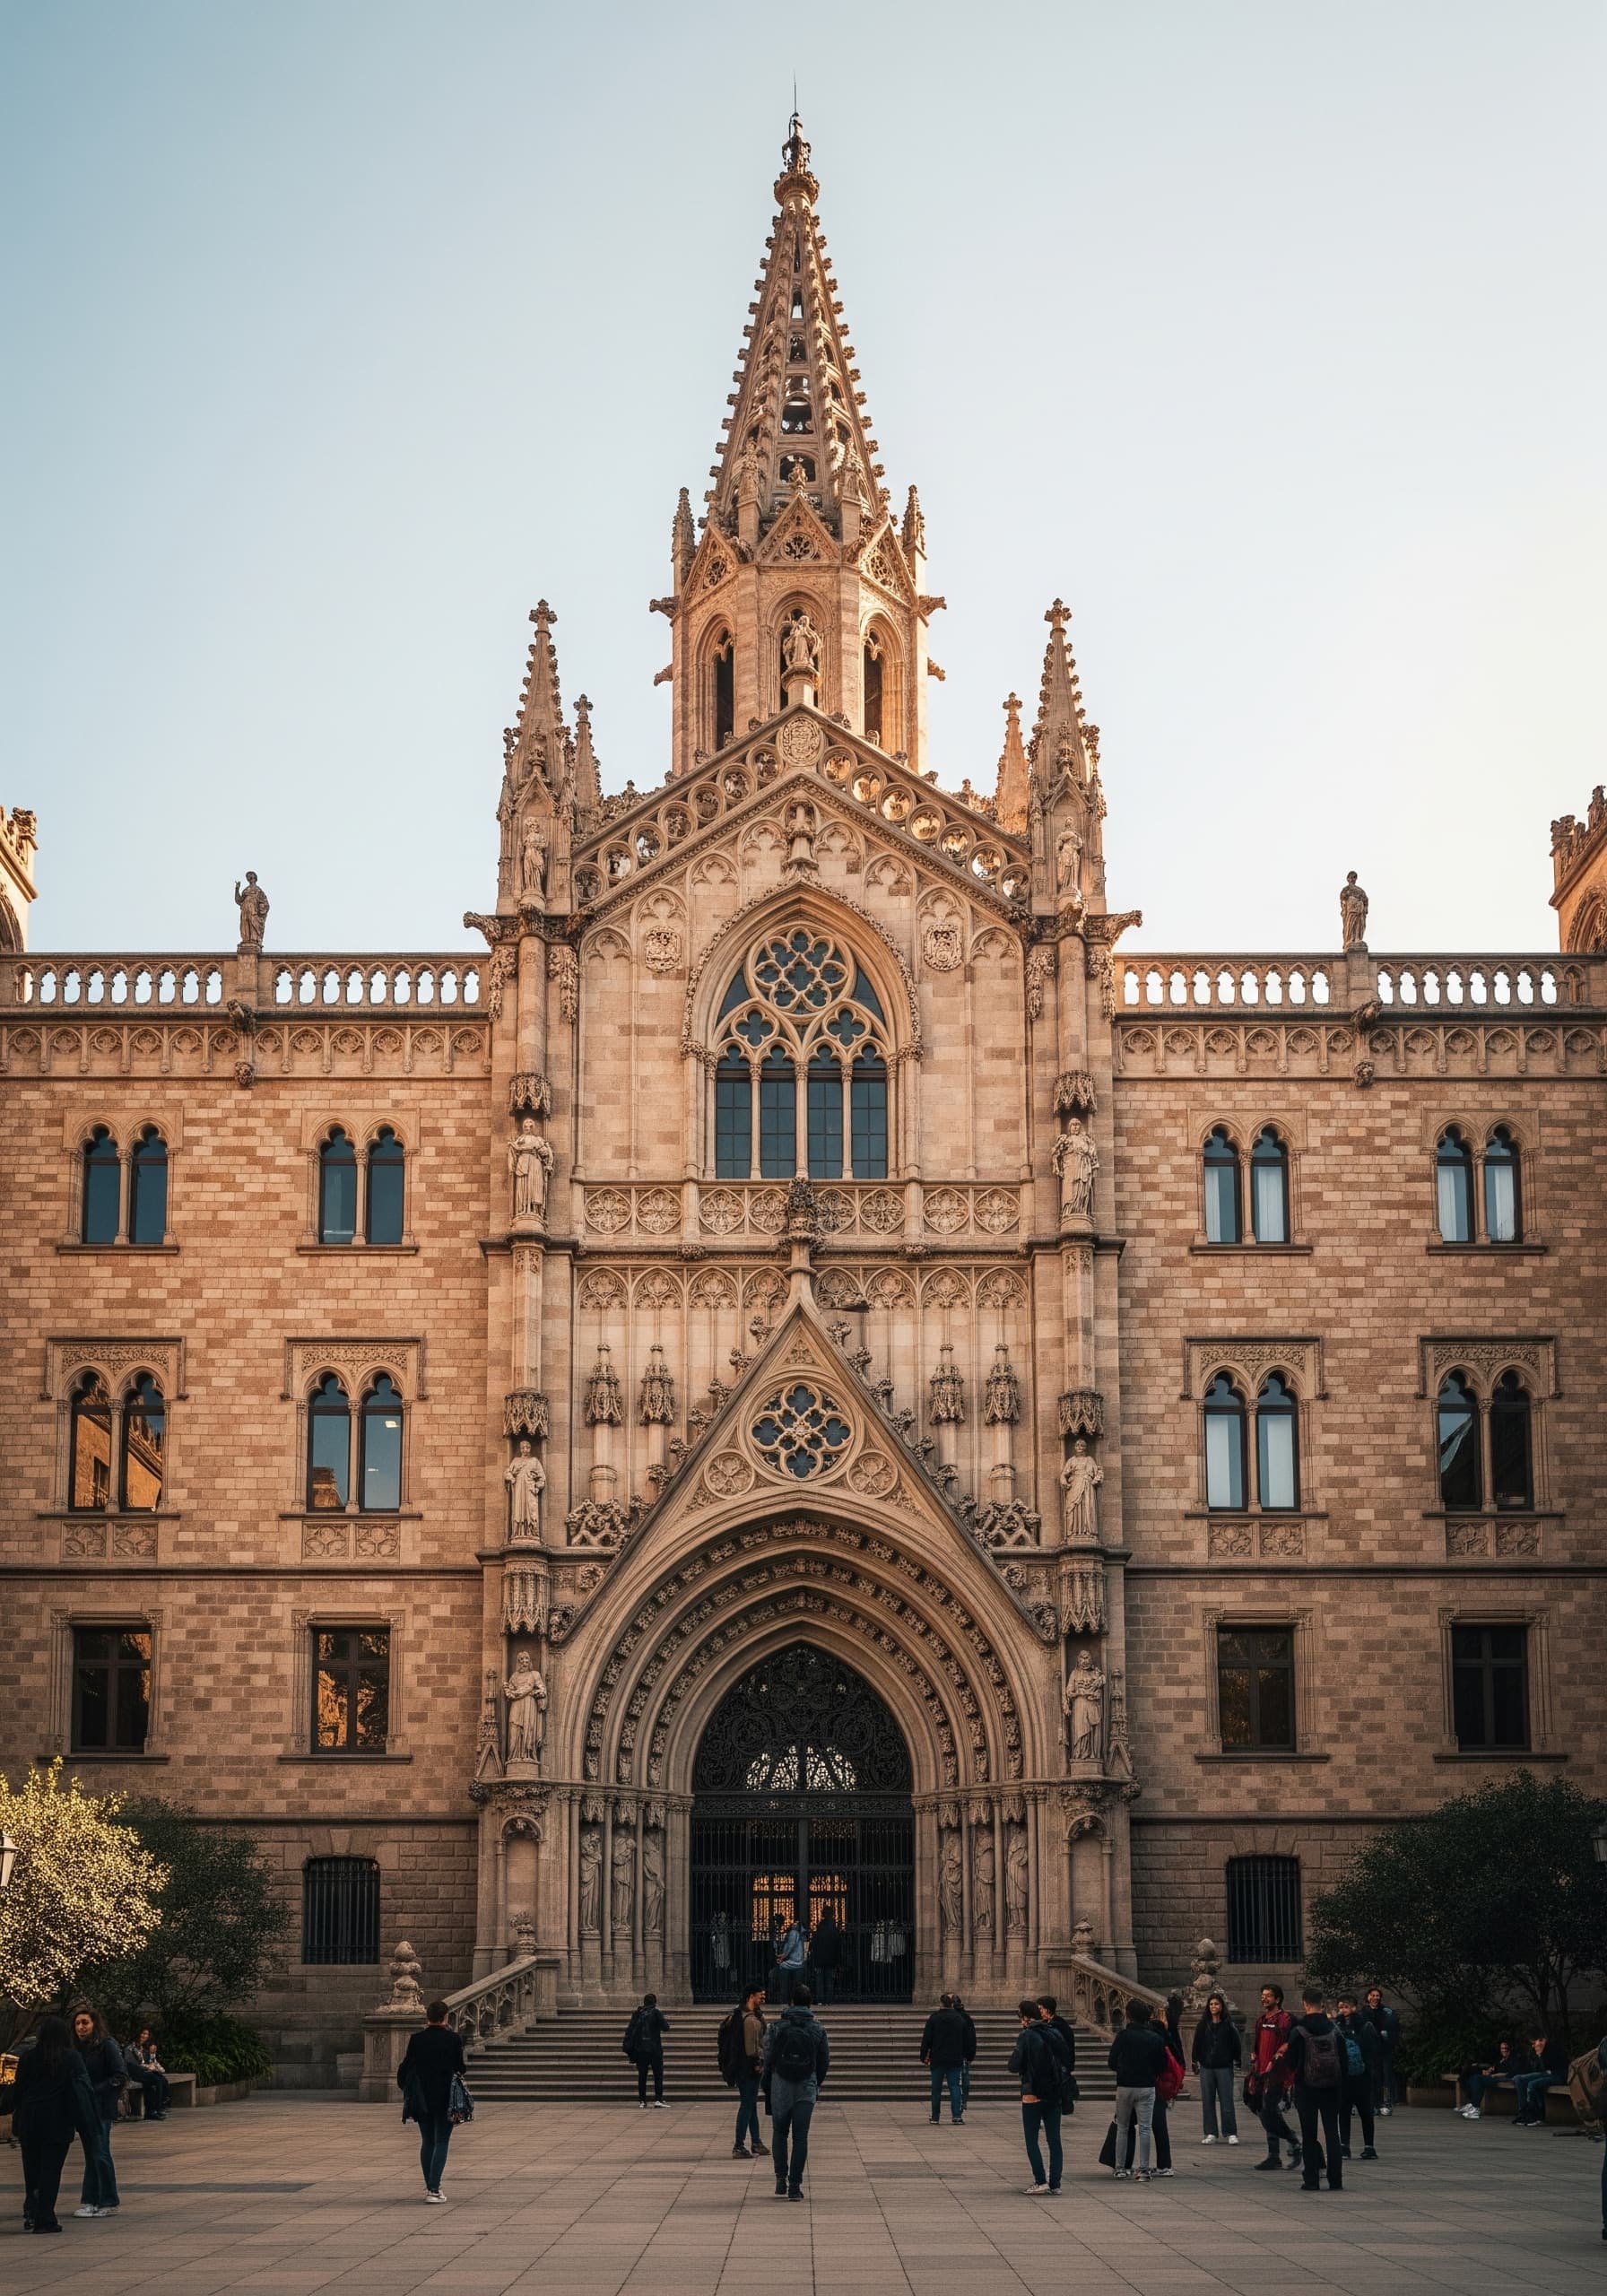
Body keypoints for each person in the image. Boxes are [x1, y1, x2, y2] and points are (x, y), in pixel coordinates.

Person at [13, 2016, 100, 2233]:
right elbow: (82, 2089)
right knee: (51, 2170)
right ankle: (45, 2217)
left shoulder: (28, 2057)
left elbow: (18, 2090)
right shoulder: (71, 2057)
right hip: (57, 2121)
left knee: (31, 2169)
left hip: (29, 2120)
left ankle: (31, 2210)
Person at [762, 1982, 829, 2202]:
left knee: (780, 2133)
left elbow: (768, 2055)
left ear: (791, 2002)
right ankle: (795, 2185)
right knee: (801, 2137)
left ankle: (781, 2179)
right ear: (809, 2003)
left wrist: (769, 2081)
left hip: (780, 2084)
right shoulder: (818, 2028)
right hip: (805, 2087)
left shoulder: (776, 2027)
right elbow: (824, 2061)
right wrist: (814, 2082)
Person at [396, 1999, 467, 2203]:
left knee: (427, 2141)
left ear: (428, 2017)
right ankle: (434, 2189)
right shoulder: (453, 2039)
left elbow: (406, 2066)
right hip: (446, 2097)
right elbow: (460, 2067)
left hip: (422, 2097)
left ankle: (431, 2187)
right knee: (442, 2141)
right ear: (446, 2017)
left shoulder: (417, 2039)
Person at [1283, 1987, 1345, 2192]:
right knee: (1332, 2133)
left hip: (1306, 2087)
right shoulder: (1334, 2029)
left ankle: (1311, 2180)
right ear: (1323, 2003)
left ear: (1304, 2003)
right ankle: (1336, 2180)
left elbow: (1290, 2062)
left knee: (1309, 2135)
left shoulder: (1299, 2030)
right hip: (1331, 2087)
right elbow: (1343, 2060)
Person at [1012, 1997, 1071, 2196]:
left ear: (1027, 2017)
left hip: (1032, 2092)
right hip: (1054, 2092)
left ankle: (1040, 2181)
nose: (1021, 2020)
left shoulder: (1027, 2036)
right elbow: (1067, 2060)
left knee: (1032, 2139)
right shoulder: (1055, 2032)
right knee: (1054, 2140)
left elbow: (1014, 2065)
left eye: (1021, 2016)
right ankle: (1055, 2184)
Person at [71, 2004, 124, 2217]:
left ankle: (108, 2200)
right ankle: (92, 2199)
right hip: (84, 2109)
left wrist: (95, 2091)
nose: (81, 2027)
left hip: (100, 2108)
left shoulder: (106, 2045)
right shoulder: (76, 2049)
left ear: (94, 2023)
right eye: (77, 2023)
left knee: (100, 2153)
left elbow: (119, 2075)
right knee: (92, 2154)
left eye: (85, 2022)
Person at [1108, 1995, 1167, 2181]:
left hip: (1125, 2086)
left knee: (1123, 2127)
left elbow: (1111, 2061)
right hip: (1146, 2087)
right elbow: (1161, 2064)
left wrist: (1123, 2070)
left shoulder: (1123, 2036)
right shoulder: (1155, 2037)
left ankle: (1120, 2168)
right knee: (1145, 2128)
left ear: (1129, 2016)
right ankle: (1143, 2169)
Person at [1247, 1984, 1300, 2171]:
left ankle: (1290, 2142)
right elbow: (1256, 2044)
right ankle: (1276, 2153)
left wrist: (1277, 2059)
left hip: (1277, 2074)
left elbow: (1289, 2043)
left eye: (1268, 1996)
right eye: (1263, 1995)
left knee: (1269, 2110)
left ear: (1277, 1999)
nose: (1264, 1998)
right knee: (1263, 2110)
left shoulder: (1286, 2019)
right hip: (1261, 2073)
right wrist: (1255, 2058)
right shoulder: (1261, 2020)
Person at [1333, 1995, 1380, 2159]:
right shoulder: (1336, 2025)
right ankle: (1344, 2145)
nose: (1343, 2010)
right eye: (1341, 2007)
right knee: (1344, 2111)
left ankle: (1368, 2146)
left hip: (1362, 2076)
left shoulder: (1364, 2025)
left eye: (1346, 2007)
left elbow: (1372, 2050)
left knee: (1365, 2112)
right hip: (1345, 2076)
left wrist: (1369, 2069)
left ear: (1354, 2007)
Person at [1192, 1989, 1241, 2144]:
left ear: (1221, 2006)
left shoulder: (1228, 2025)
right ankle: (1210, 2132)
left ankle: (1230, 2132)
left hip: (1224, 2067)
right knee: (1208, 2101)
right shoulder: (1202, 2025)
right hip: (1207, 2066)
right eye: (1211, 2004)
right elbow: (1197, 2044)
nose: (1214, 2007)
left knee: (1227, 2100)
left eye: (1216, 2004)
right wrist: (1196, 2060)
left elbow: (1236, 2044)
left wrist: (1235, 2060)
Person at [725, 1985, 766, 2159]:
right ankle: (739, 2145)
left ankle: (756, 2141)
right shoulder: (749, 2020)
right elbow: (752, 2049)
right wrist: (759, 2061)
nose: (763, 1998)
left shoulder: (738, 2016)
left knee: (750, 2104)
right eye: (760, 1995)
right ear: (751, 1996)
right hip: (748, 2068)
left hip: (740, 2067)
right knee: (747, 2105)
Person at [920, 1993, 969, 2125]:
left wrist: (923, 2055)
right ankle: (957, 2116)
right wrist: (966, 2055)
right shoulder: (959, 2019)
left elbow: (927, 2039)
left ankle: (935, 2117)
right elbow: (966, 2039)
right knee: (955, 2087)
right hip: (955, 2058)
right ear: (952, 2004)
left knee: (936, 2088)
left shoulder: (934, 2019)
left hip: (938, 2058)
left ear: (941, 2003)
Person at [1513, 2034, 1565, 2126]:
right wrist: (1539, 2055)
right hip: (1546, 2074)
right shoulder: (1541, 2048)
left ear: (1542, 2040)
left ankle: (1537, 2116)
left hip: (1558, 2076)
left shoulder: (1554, 2048)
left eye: (1534, 2043)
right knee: (1518, 2079)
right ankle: (1523, 2113)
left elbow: (1551, 2067)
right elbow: (1541, 2069)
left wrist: (1540, 2055)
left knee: (1532, 2084)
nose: (1533, 2046)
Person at [1459, 2039, 1519, 2118]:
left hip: (1503, 2078)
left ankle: (1476, 2109)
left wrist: (1495, 2075)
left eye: (1506, 2048)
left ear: (1510, 2049)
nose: (1504, 2050)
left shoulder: (1513, 2059)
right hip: (1494, 2077)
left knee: (1477, 2079)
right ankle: (1473, 2104)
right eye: (1502, 2048)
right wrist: (1490, 2070)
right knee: (1473, 2078)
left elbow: (1510, 2073)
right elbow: (1495, 2068)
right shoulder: (1501, 2059)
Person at [629, 1992, 670, 2108]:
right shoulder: (656, 2012)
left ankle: (642, 2100)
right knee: (658, 2075)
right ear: (655, 2002)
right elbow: (666, 2027)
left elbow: (631, 2029)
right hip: (654, 2049)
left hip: (641, 2049)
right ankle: (658, 2099)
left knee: (642, 2075)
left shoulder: (638, 2013)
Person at [1364, 1987, 1400, 2114]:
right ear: (1368, 1997)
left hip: (1384, 2049)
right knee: (1372, 2077)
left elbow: (1394, 2030)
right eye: (1372, 1995)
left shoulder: (1387, 2012)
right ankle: (1373, 2103)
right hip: (1369, 2051)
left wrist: (1389, 2040)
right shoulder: (1363, 2013)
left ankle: (1386, 2102)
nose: (1375, 1998)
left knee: (1386, 2077)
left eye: (1377, 1995)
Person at [122, 2029, 170, 2120]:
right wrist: (147, 2067)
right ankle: (157, 2109)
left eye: (146, 2034)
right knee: (157, 2080)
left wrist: (152, 2055)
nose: (144, 2036)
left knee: (159, 2079)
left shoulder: (144, 2048)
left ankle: (154, 2109)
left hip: (145, 2073)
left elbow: (151, 2062)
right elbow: (132, 2065)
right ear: (138, 2034)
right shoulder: (130, 2048)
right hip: (136, 2073)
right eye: (143, 2033)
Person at [808, 1908, 843, 2005]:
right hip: (831, 1960)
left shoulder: (819, 1929)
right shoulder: (835, 1931)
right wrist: (838, 1961)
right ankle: (829, 2000)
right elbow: (838, 1947)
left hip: (819, 1960)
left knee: (819, 1981)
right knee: (829, 1981)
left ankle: (820, 2000)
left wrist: (813, 1959)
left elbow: (813, 1945)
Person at [953, 1993, 978, 2113]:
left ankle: (961, 2102)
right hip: (958, 2054)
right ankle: (960, 2102)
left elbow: (971, 2037)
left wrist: (971, 2053)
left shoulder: (965, 2017)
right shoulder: (963, 2017)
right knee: (962, 2080)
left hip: (960, 2053)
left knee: (962, 2080)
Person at [775, 1917, 806, 2005]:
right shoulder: (802, 1935)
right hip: (799, 1962)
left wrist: (784, 1955)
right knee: (797, 1985)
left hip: (790, 1962)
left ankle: (785, 2000)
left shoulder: (793, 1933)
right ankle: (797, 2001)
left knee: (785, 1984)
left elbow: (790, 1945)